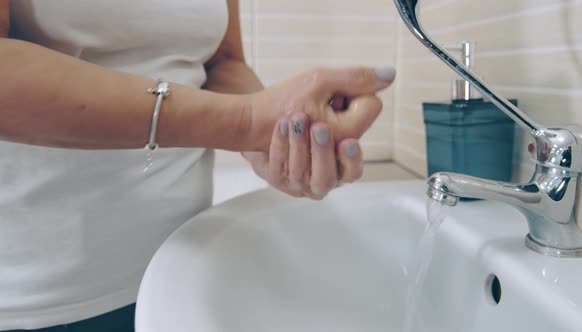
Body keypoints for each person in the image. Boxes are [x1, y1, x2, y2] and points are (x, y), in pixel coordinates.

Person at [0, 1, 395, 331]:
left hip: (184, 264)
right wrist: (246, 122)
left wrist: (271, 139)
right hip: (46, 296)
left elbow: (223, 61)